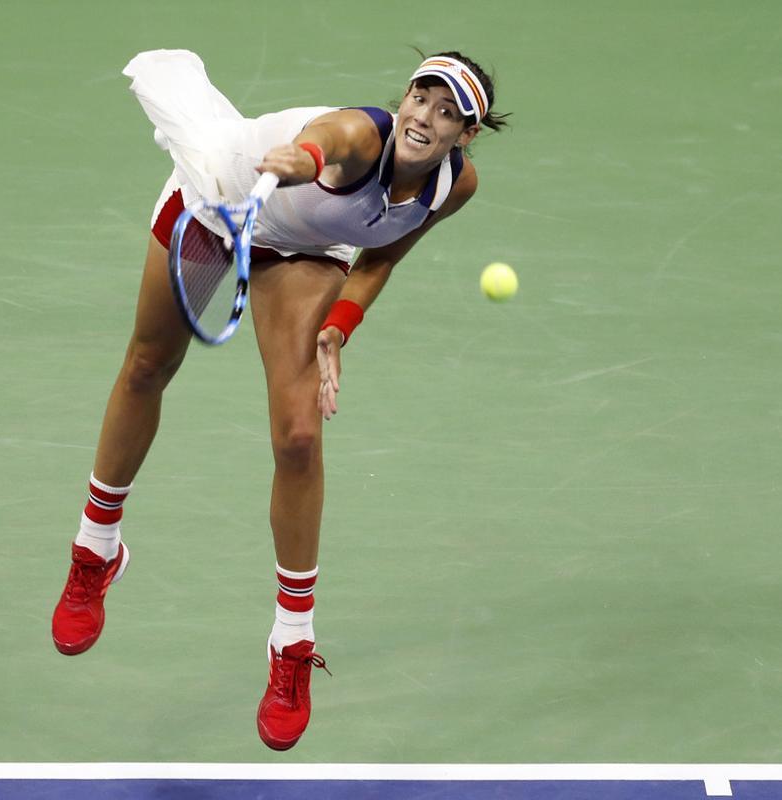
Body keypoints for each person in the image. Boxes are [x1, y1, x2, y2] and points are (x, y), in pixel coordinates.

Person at [50, 48, 507, 750]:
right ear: (405, 97)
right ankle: (96, 549)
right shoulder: (358, 137)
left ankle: (291, 643)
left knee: (299, 437)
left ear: (465, 135)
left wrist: (338, 328)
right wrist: (299, 159)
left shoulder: (454, 185)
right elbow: (326, 142)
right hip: (216, 204)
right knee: (147, 365)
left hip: (304, 249)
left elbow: (383, 254)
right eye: (421, 97)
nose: (426, 117)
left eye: (449, 114)